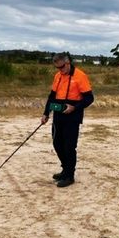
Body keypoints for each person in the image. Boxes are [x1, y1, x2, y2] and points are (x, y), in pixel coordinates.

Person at [41, 53, 94, 187]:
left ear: (68, 63)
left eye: (62, 67)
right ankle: (65, 169)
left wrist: (74, 108)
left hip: (73, 117)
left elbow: (89, 98)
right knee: (57, 144)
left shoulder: (80, 76)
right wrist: (46, 113)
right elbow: (52, 96)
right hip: (58, 115)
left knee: (69, 146)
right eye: (57, 68)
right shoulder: (58, 76)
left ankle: (69, 175)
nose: (60, 70)